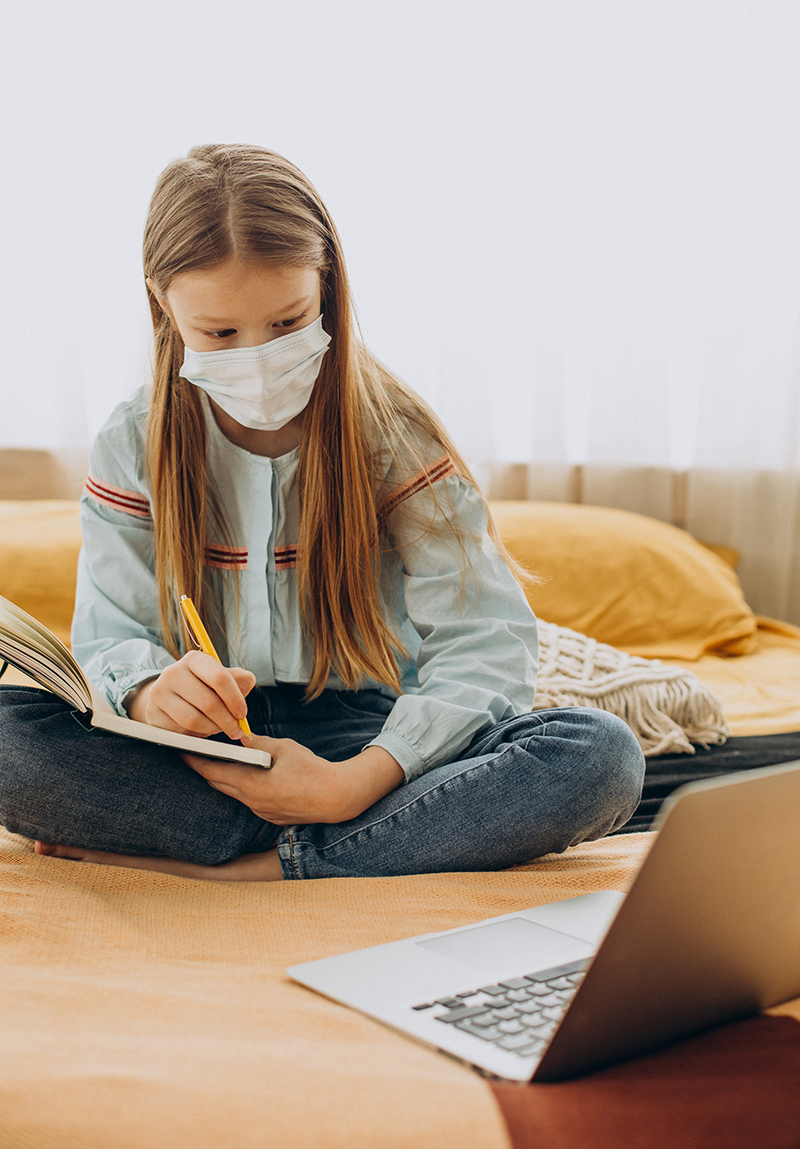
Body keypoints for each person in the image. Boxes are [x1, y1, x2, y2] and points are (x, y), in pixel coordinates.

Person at [0, 144, 644, 881]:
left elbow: (484, 645)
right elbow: (112, 636)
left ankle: (256, 863)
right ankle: (368, 844)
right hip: (198, 753)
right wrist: (151, 697)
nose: (257, 356)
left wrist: (351, 785)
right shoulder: (131, 439)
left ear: (327, 285)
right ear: (162, 302)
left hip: (366, 740)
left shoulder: (395, 434)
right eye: (219, 333)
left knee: (599, 755)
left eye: (286, 322)